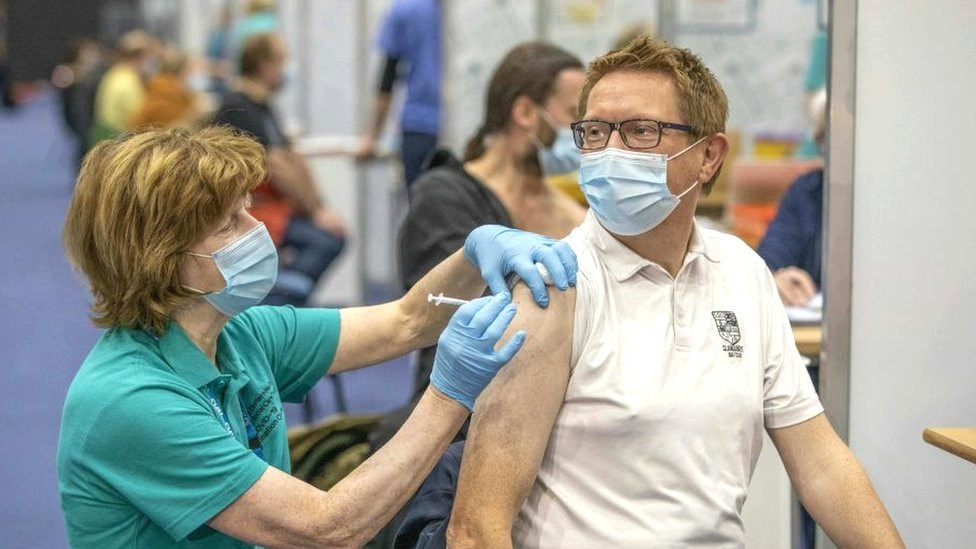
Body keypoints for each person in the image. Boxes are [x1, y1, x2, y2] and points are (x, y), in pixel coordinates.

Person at [403, 36, 903, 548]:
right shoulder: (555, 286)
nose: (610, 152)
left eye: (641, 131)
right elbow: (476, 530)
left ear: (708, 156)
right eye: (595, 132)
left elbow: (820, 464)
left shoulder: (742, 273)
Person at [57, 126, 578, 548]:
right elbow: (327, 528)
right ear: (162, 260)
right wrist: (448, 395)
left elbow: (406, 321)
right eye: (228, 226)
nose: (259, 231)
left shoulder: (239, 336)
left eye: (247, 208)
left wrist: (473, 251)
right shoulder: (131, 400)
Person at [398, 41, 586, 407]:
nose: (583, 131)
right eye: (573, 114)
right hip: (461, 410)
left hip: (557, 404)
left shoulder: (574, 210)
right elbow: (452, 316)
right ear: (525, 112)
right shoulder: (443, 197)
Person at [213, 33, 346, 307]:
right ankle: (277, 303)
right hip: (249, 210)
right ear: (264, 66)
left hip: (274, 206)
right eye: (281, 62)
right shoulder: (239, 108)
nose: (286, 70)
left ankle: (285, 297)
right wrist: (314, 211)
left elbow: (291, 159)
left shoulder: (263, 106)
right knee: (324, 242)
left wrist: (319, 206)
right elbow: (277, 166)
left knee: (331, 237)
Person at [356, 0, 441, 189]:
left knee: (423, 211)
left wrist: (372, 137)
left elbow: (387, 78)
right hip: (456, 129)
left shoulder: (406, 8)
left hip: (419, 129)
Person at [89, 30, 153, 145]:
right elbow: (137, 118)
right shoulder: (128, 80)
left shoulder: (113, 73)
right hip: (118, 139)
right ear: (141, 55)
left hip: (104, 135)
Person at [130, 49, 201, 130]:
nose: (191, 75)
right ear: (180, 71)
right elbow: (168, 127)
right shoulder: (164, 89)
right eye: (189, 71)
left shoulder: (169, 86)